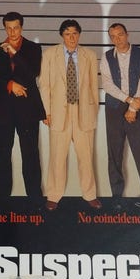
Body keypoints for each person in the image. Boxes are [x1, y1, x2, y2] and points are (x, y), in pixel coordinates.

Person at [39, 20, 102, 211]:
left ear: (79, 34)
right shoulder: (50, 54)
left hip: (84, 112)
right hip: (58, 113)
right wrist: (46, 112)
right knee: (57, 157)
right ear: (62, 35)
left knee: (86, 157)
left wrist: (93, 110)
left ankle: (90, 195)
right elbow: (44, 85)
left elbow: (93, 86)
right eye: (67, 34)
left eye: (75, 33)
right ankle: (54, 195)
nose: (72, 37)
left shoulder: (89, 55)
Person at [0, 11, 45, 209]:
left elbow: (32, 72)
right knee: (3, 155)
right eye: (9, 28)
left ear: (22, 27)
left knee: (30, 154)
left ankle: (35, 199)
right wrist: (10, 84)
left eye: (16, 28)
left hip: (27, 109)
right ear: (5, 28)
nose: (12, 32)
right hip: (3, 110)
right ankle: (1, 200)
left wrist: (14, 52)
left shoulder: (33, 48)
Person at [101, 23, 140, 208]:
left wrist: (133, 107)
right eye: (113, 36)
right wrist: (128, 99)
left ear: (127, 34)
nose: (117, 39)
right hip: (114, 107)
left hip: (138, 105)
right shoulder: (106, 57)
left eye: (120, 34)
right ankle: (116, 197)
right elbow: (107, 84)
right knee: (114, 152)